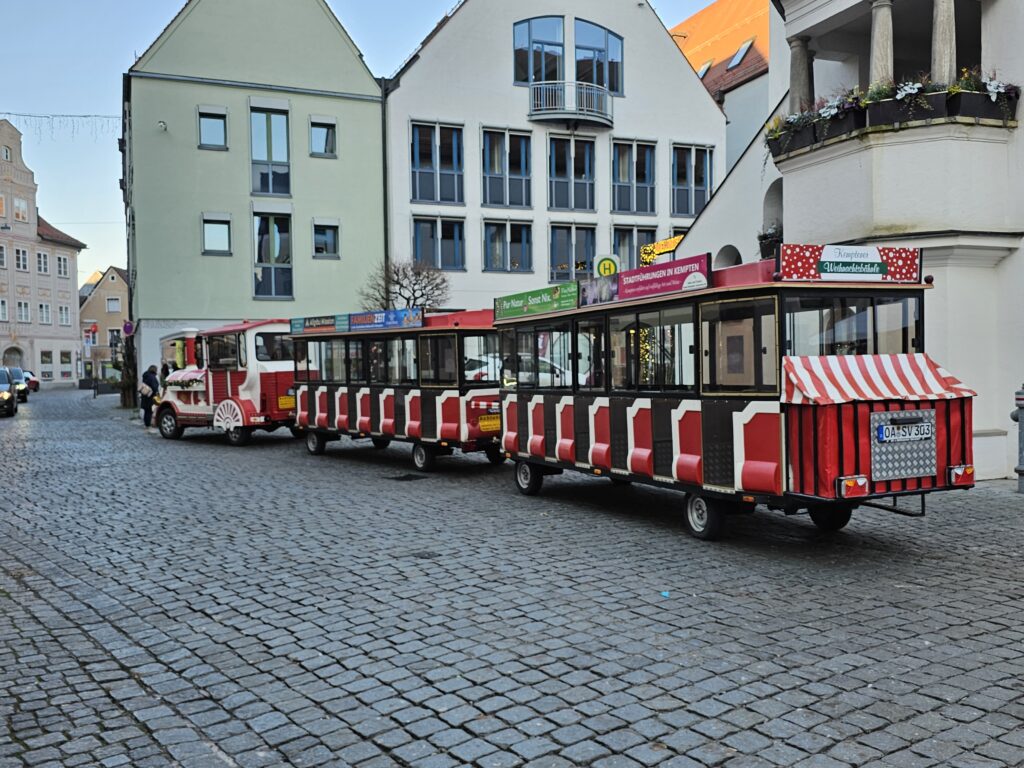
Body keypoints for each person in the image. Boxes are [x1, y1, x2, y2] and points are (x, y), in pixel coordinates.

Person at [140, 364, 160, 433]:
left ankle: (146, 424)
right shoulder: (152, 377)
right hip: (150, 397)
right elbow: (155, 387)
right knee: (150, 411)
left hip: (145, 395)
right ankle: (149, 424)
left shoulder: (145, 376)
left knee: (146, 411)